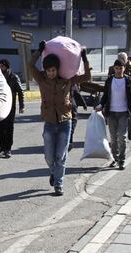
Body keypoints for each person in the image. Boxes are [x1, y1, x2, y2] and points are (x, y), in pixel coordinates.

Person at [29, 41, 91, 196]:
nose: (50, 73)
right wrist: (39, 50)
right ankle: (54, 172)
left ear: (57, 69)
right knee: (49, 157)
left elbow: (87, 76)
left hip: (65, 122)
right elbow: (30, 65)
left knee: (61, 156)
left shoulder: (67, 79)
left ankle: (59, 184)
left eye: (53, 70)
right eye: (48, 70)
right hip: (49, 123)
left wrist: (84, 57)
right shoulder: (42, 79)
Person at [96, 59, 131, 170]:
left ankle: (122, 160)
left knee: (122, 137)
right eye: (116, 68)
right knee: (113, 138)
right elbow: (105, 95)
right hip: (111, 113)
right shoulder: (110, 80)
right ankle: (115, 159)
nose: (118, 70)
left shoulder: (129, 80)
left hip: (124, 113)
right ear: (114, 68)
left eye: (120, 68)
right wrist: (101, 105)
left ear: (124, 68)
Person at [0, 59, 24, 158]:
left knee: (9, 128)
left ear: (6, 66)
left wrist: (22, 105)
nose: (0, 68)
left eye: (2, 66)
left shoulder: (14, 77)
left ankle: (8, 149)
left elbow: (20, 92)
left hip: (10, 106)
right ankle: (2, 148)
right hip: (0, 106)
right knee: (0, 128)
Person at [68, 84, 87, 152]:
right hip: (70, 108)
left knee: (70, 125)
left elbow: (78, 95)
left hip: (71, 108)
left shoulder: (72, 85)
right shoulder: (72, 85)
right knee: (71, 126)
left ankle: (69, 141)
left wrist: (84, 104)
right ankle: (69, 142)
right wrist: (84, 104)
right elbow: (78, 95)